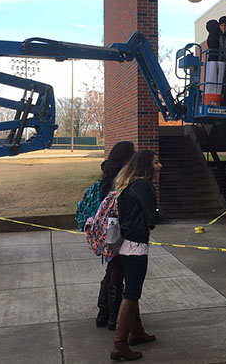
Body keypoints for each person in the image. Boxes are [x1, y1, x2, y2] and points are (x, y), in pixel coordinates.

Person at [110, 150, 162, 362]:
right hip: (136, 246)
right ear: (146, 165)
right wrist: (157, 215)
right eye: (156, 162)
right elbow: (153, 216)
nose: (160, 166)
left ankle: (137, 332)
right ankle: (119, 345)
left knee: (133, 289)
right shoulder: (143, 185)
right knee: (131, 293)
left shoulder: (129, 184)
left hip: (125, 244)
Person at [96, 141, 135, 331]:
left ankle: (103, 311)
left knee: (112, 266)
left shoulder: (106, 174)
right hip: (120, 228)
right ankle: (113, 315)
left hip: (107, 227)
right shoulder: (124, 176)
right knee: (118, 267)